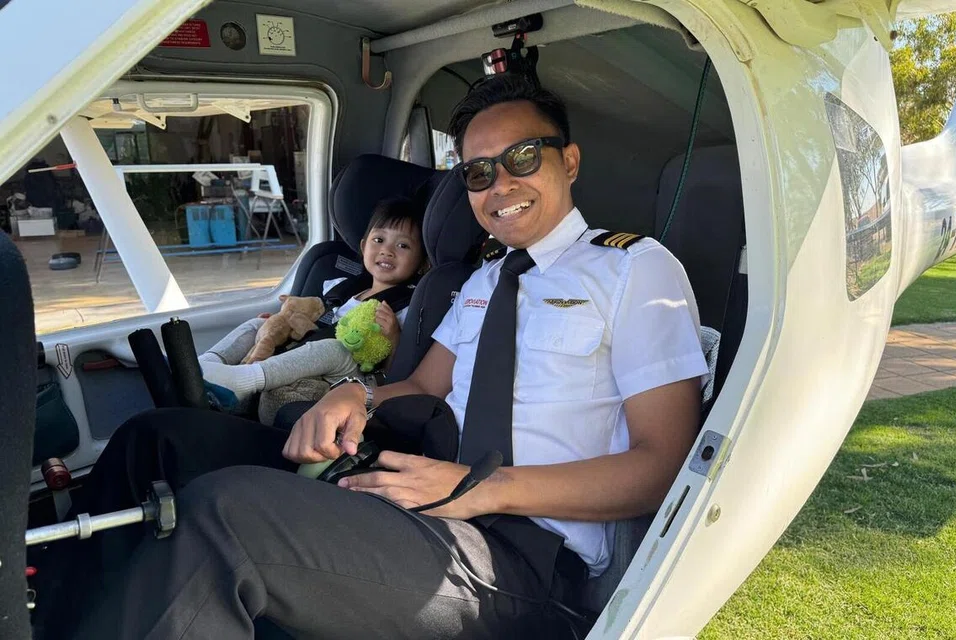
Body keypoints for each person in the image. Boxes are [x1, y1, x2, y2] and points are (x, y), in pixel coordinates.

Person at [70, 74, 709, 639]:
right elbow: (427, 385)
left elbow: (662, 468)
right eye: (478, 172)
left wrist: (482, 490)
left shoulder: (633, 270)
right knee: (155, 439)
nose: (500, 184)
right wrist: (358, 395)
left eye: (522, 157)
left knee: (225, 517)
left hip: (523, 556)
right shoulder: (483, 282)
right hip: (416, 486)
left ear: (568, 161)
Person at [197, 195, 427, 412]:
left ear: (422, 263)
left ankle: (244, 379)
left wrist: (394, 338)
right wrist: (284, 322)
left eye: (403, 246)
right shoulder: (342, 288)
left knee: (336, 348)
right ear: (364, 245)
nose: (387, 251)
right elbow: (313, 324)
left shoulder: (407, 307)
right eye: (379, 240)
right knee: (258, 323)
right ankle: (202, 366)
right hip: (312, 358)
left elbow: (397, 377)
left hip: (355, 379)